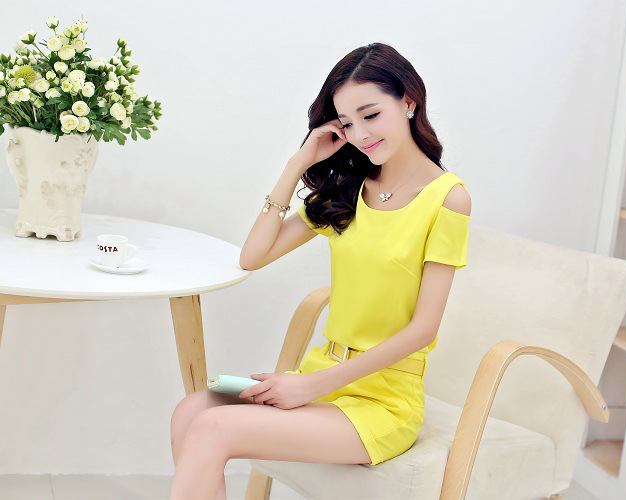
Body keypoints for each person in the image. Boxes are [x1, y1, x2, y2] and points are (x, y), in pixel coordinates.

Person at [169, 42, 471, 500]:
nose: (360, 134)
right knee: (191, 411)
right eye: (347, 123)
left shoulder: (448, 198)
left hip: (382, 401)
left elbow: (423, 330)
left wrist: (310, 386)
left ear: (409, 101)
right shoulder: (350, 188)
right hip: (320, 374)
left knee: (212, 427)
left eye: (371, 115)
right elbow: (253, 256)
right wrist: (298, 163)